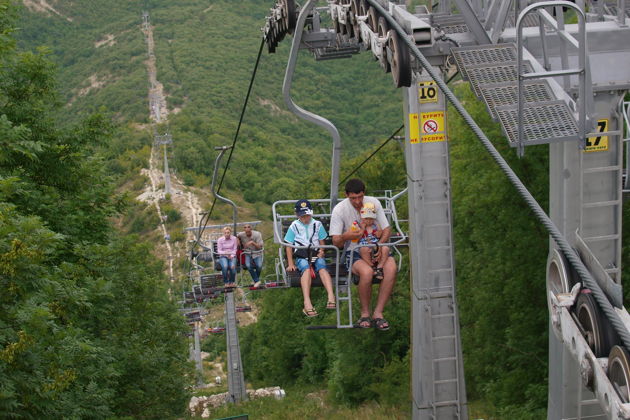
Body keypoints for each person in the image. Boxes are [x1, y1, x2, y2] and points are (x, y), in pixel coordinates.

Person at [329, 178, 396, 330]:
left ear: (363, 194)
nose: (358, 202)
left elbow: (386, 229)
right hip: (354, 251)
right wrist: (349, 235)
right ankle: (365, 313)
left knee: (391, 269)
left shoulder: (373, 203)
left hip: (375, 247)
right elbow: (336, 242)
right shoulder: (340, 210)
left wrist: (379, 245)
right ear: (347, 195)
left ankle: (378, 313)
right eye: (353, 198)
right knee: (366, 273)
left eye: (360, 197)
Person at [284, 199, 336, 317]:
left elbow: (322, 241)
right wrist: (291, 263)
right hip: (302, 253)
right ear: (297, 215)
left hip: (315, 252)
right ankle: (307, 302)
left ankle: (331, 296)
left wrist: (322, 251)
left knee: (322, 267)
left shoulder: (317, 224)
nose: (305, 218)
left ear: (311, 214)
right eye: (302, 216)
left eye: (307, 215)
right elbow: (288, 246)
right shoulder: (294, 226)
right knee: (305, 269)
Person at [357, 202, 390, 281]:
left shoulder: (375, 225)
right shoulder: (358, 226)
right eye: (366, 218)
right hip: (364, 245)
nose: (368, 221)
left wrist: (379, 232)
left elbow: (379, 234)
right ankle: (372, 266)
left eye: (371, 219)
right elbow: (356, 239)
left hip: (375, 245)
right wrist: (362, 229)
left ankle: (379, 268)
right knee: (363, 250)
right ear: (362, 218)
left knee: (386, 248)